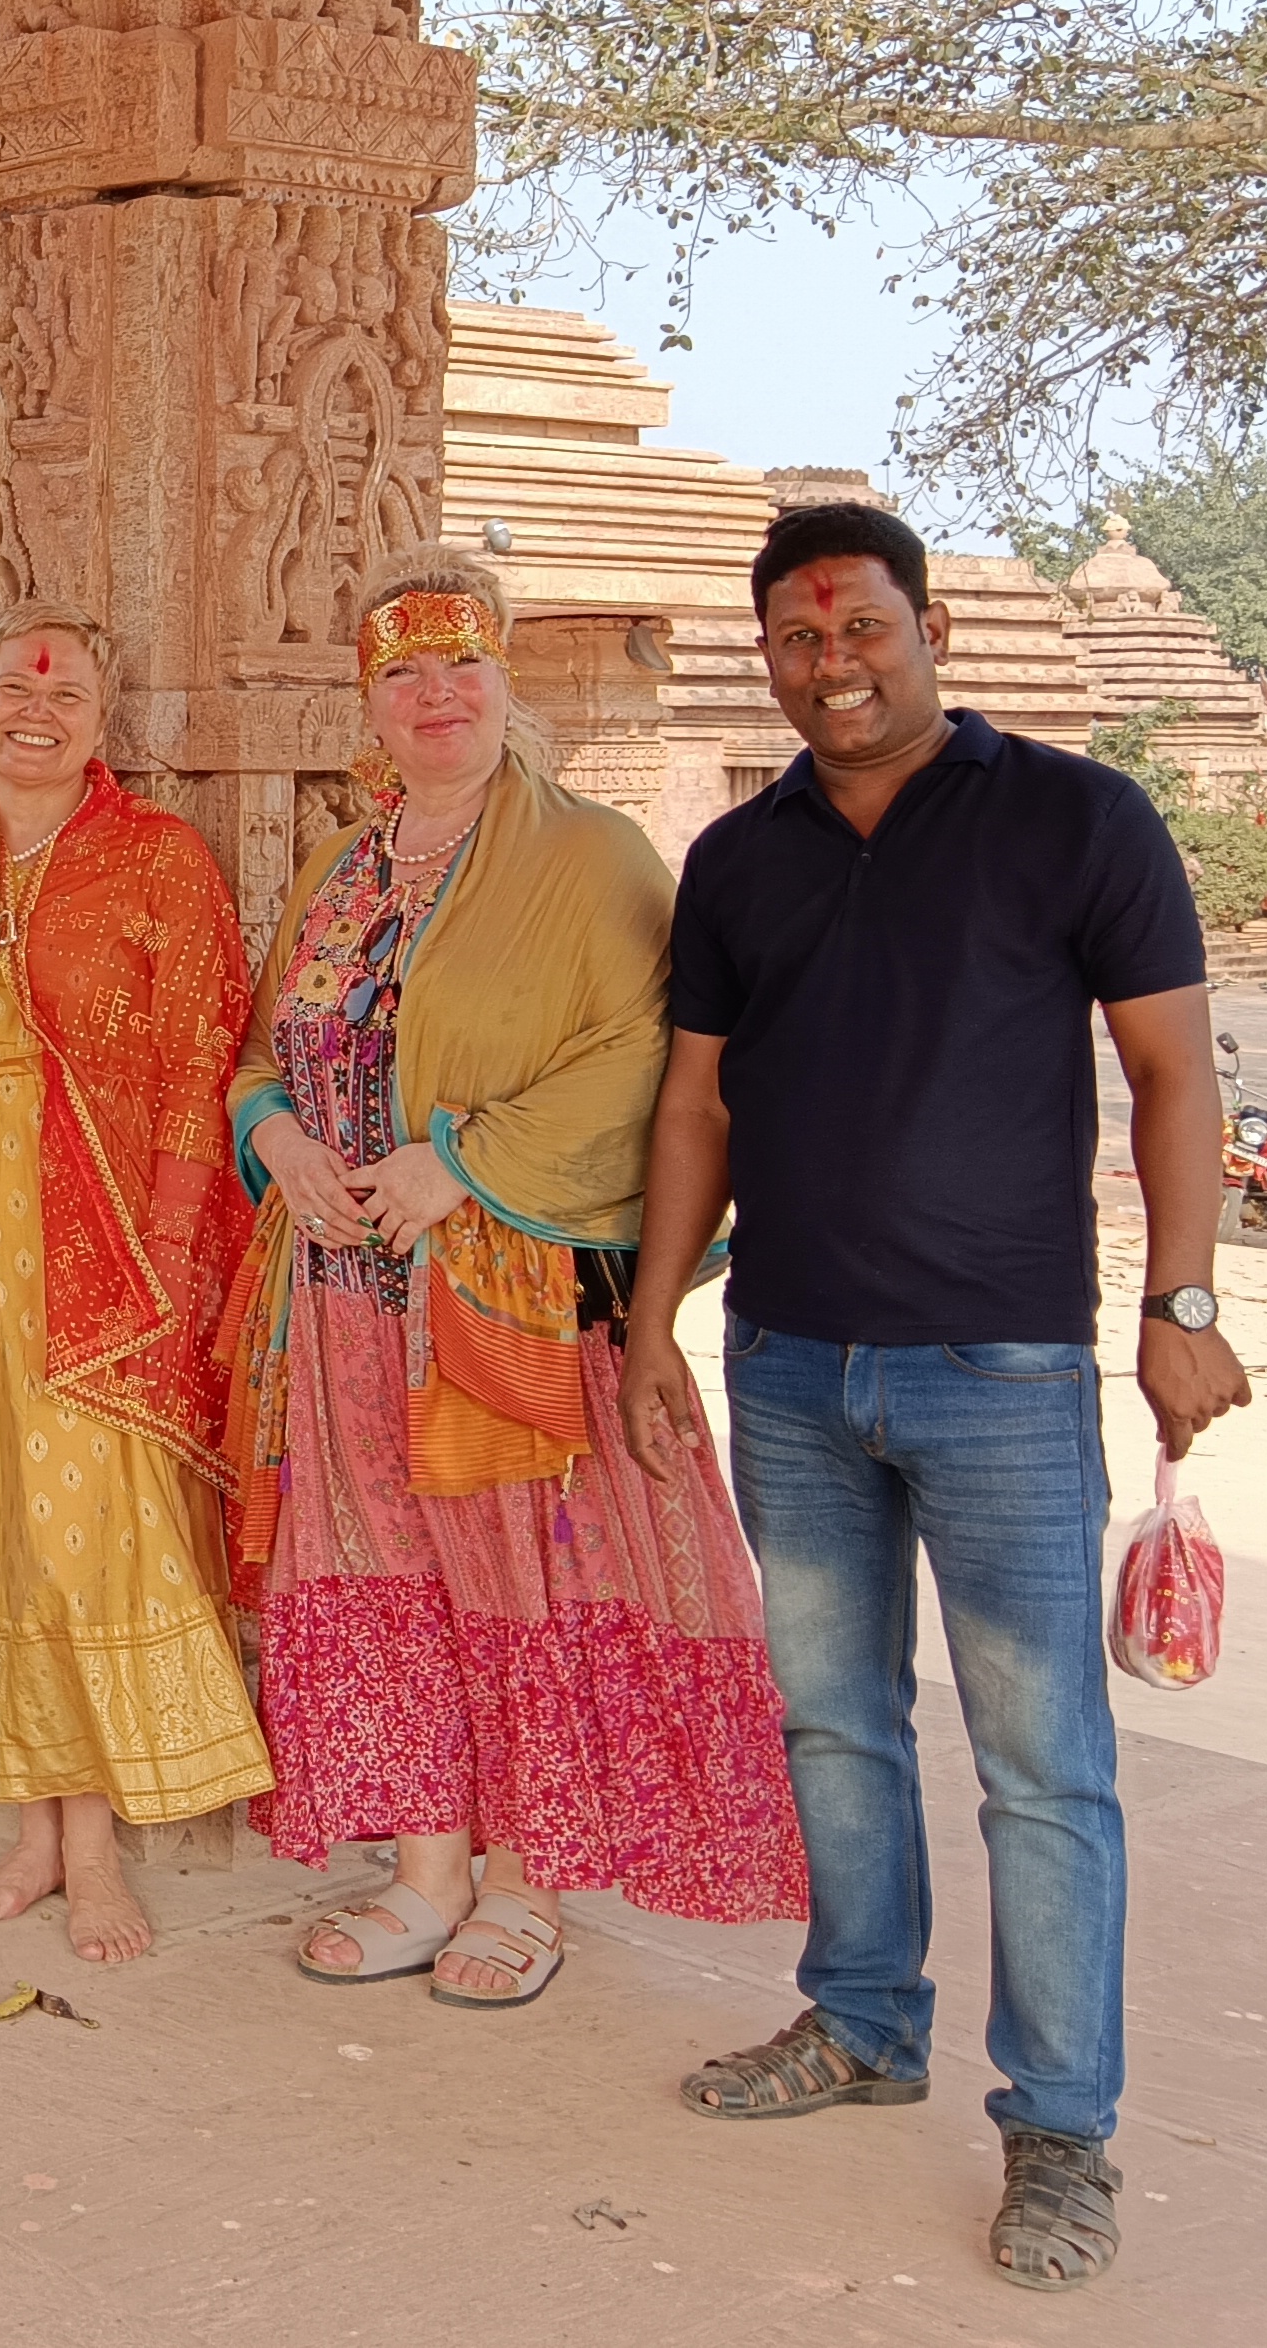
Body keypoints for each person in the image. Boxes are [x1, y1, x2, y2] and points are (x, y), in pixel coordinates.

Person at [624, 501, 1250, 2293]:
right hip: (795, 1361)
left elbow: (1171, 1072)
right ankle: (860, 2022)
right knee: (832, 1722)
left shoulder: (1075, 816)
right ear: (770, 656)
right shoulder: (741, 860)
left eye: (862, 631)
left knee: (1044, 1768)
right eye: (800, 643)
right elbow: (697, 1111)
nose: (834, 668)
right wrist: (656, 1320)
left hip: (1004, 1361)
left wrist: (1182, 1300)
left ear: (935, 628)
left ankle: (1060, 2133)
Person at [223, 549, 804, 2010]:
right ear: (372, 699)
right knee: (387, 1576)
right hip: (346, 1302)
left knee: (519, 1572)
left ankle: (527, 1879)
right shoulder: (342, 867)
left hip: (506, 1296)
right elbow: (262, 1046)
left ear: (505, 683)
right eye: (403, 674)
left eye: (461, 666)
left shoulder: (591, 858)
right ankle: (427, 1868)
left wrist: (459, 1163)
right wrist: (273, 1131)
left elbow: (654, 1059)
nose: (436, 697)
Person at [0, 604, 273, 1963]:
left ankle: (97, 1854)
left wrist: (180, 1250)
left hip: (111, 1256)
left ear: (102, 714)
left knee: (93, 1527)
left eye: (69, 690)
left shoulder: (161, 861)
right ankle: (34, 1832)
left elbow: (202, 1068)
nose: (40, 708)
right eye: (16, 690)